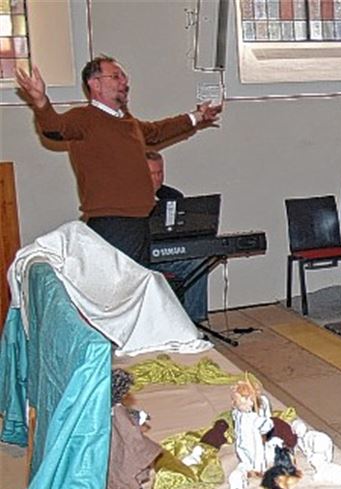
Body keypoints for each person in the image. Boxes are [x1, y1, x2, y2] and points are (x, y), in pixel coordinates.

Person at [14, 57, 221, 263]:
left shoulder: (126, 121)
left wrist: (197, 116)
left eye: (124, 77)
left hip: (140, 220)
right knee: (120, 282)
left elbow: (156, 132)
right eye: (115, 77)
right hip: (113, 221)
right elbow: (54, 128)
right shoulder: (84, 117)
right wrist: (40, 101)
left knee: (139, 281)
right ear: (95, 84)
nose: (124, 82)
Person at [145, 151, 208, 324]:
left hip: (166, 253)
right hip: (140, 254)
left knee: (198, 262)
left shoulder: (172, 196)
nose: (157, 178)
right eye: (151, 174)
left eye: (160, 173)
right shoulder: (129, 199)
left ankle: (193, 321)